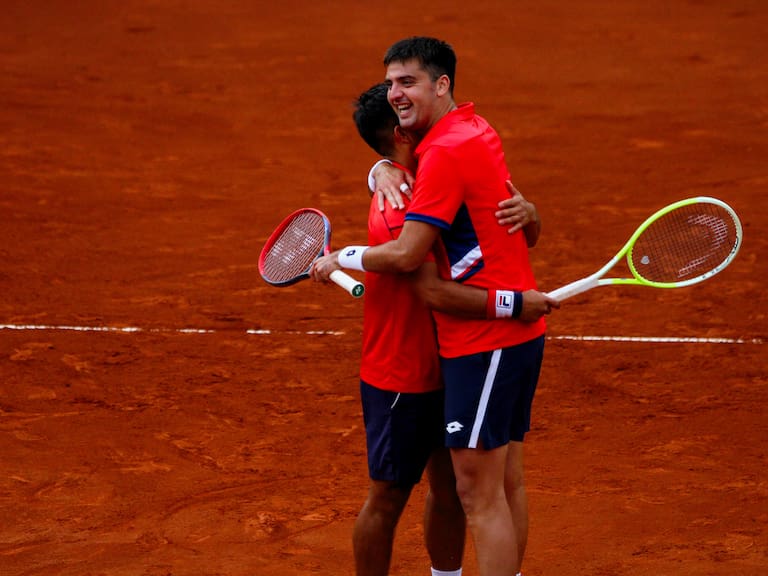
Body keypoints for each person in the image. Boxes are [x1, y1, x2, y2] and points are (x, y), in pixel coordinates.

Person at [313, 37, 559, 576]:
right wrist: (516, 301)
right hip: (414, 370)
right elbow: (424, 277)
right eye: (394, 87)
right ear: (399, 138)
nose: (399, 93)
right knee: (437, 493)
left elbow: (429, 270)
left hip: (467, 351)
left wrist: (341, 255)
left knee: (472, 493)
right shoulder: (466, 137)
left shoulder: (440, 155)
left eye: (407, 82)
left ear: (441, 87)